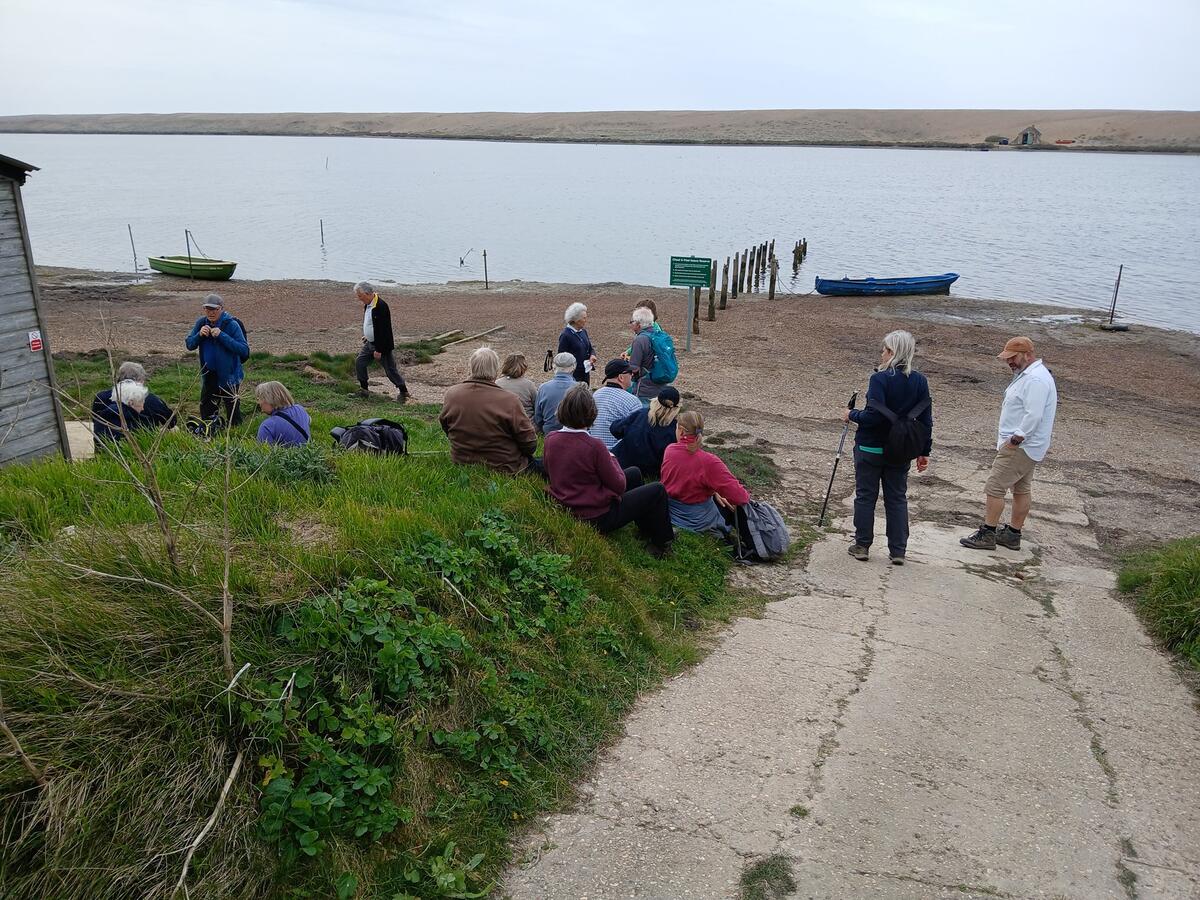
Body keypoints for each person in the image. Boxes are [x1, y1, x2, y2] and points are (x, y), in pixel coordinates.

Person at [544, 385, 674, 556]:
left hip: (568, 501)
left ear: (562, 409)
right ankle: (661, 543)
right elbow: (619, 486)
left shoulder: (550, 439)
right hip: (596, 516)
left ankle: (646, 528)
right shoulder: (594, 446)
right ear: (591, 414)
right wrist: (611, 458)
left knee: (634, 473)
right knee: (657, 490)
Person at [843, 330, 933, 565]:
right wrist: (924, 451)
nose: (882, 354)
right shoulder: (920, 381)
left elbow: (873, 417)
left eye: (884, 350)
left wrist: (851, 414)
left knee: (865, 496)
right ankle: (898, 551)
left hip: (870, 447)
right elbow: (925, 421)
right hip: (900, 450)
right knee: (896, 498)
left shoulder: (879, 379)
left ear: (892, 352)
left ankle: (862, 545)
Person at [960, 336, 1058, 551]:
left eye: (1012, 357)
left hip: (1021, 445)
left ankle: (988, 533)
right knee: (1021, 488)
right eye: (1007, 358)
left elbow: (1034, 415)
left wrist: (1015, 438)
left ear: (1027, 355)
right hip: (1029, 445)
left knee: (995, 487)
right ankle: (1013, 534)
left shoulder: (1035, 380)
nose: (1009, 362)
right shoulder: (1030, 375)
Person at [439, 347, 540, 476]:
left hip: (462, 461)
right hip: (504, 467)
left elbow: (446, 426)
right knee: (547, 463)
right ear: (496, 369)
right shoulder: (509, 400)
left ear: (471, 367)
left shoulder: (452, 394)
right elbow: (529, 443)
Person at [661, 410, 750, 535]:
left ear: (680, 430)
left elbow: (685, 477)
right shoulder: (708, 461)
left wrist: (713, 491)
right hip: (695, 519)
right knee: (727, 511)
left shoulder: (670, 450)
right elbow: (740, 497)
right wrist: (715, 490)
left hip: (669, 509)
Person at [185, 293, 248, 426]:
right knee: (207, 411)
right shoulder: (201, 323)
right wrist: (199, 335)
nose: (211, 312)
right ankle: (209, 431)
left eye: (214, 309)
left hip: (229, 376)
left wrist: (221, 335)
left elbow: (244, 350)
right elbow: (190, 345)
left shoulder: (232, 324)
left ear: (221, 308)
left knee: (233, 413)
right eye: (207, 309)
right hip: (209, 375)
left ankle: (236, 434)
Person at [91, 361, 176, 446]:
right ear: (139, 381)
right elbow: (171, 422)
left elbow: (95, 419)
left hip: (104, 445)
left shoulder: (101, 397)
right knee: (174, 430)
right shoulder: (150, 400)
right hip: (139, 446)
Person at [353, 281, 409, 402]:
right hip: (370, 343)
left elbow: (384, 330)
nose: (359, 298)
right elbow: (372, 324)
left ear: (367, 294)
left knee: (390, 370)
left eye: (360, 296)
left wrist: (379, 349)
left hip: (382, 345)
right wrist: (367, 336)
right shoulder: (368, 304)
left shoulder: (381, 306)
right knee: (360, 363)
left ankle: (404, 392)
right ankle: (364, 391)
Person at [611, 386, 680, 479]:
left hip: (620, 466)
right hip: (649, 475)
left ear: (655, 401)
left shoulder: (641, 415)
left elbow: (615, 429)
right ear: (676, 408)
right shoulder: (675, 430)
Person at [589, 359, 643, 450]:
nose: (632, 375)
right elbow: (637, 435)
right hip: (617, 455)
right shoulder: (632, 401)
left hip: (594, 451)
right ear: (621, 377)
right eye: (630, 372)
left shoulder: (595, 395)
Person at [628, 306, 675, 403]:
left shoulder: (640, 340)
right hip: (661, 385)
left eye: (632, 321)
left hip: (645, 389)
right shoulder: (660, 336)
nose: (630, 324)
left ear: (638, 324)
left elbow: (634, 368)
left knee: (644, 415)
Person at [92, 379, 151, 445]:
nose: (142, 408)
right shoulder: (134, 423)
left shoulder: (103, 417)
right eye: (141, 402)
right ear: (131, 402)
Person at [254, 381, 311, 447]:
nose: (259, 403)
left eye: (260, 399)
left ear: (269, 400)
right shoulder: (300, 409)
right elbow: (309, 421)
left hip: (287, 457)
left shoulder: (267, 426)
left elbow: (262, 453)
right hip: (309, 454)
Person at [533, 352, 578, 434]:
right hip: (574, 433)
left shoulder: (543, 388)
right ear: (573, 367)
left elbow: (538, 417)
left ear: (554, 366)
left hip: (549, 433)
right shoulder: (579, 388)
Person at [558, 302, 597, 383]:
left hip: (585, 373)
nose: (586, 320)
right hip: (573, 377)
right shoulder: (565, 335)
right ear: (576, 320)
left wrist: (592, 355)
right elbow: (562, 358)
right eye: (584, 318)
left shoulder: (583, 332)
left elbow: (590, 348)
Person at [495, 353, 538, 420]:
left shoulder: (497, 383)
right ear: (523, 367)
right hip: (526, 422)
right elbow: (537, 406)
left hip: (503, 422)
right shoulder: (529, 385)